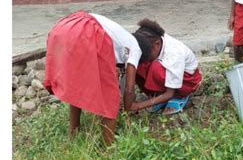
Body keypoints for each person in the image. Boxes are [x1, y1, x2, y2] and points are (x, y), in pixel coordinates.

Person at [43, 11, 167, 144]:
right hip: (85, 31)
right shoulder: (135, 49)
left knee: (77, 85)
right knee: (110, 96)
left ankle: (74, 131)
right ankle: (109, 148)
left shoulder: (121, 38)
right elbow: (130, 89)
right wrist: (127, 109)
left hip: (66, 25)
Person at [135, 19, 202, 115]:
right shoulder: (154, 41)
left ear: (157, 44)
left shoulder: (174, 54)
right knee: (138, 65)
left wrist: (139, 105)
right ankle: (158, 96)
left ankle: (179, 96)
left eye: (147, 52)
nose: (144, 55)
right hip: (167, 72)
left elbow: (169, 94)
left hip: (187, 80)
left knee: (155, 68)